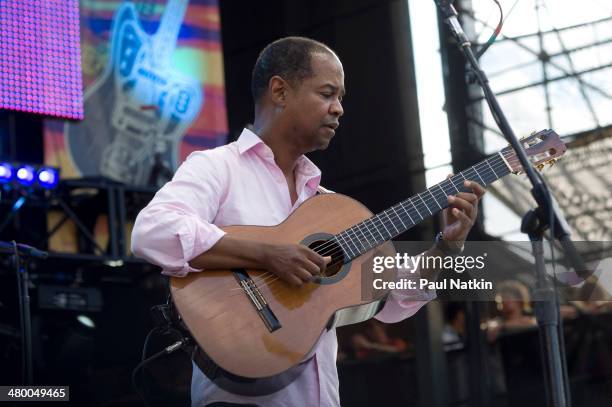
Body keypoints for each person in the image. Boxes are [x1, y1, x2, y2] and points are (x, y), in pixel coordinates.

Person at [131, 36, 485, 407]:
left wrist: (448, 246)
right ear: (280, 91)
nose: (339, 109)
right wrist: (266, 255)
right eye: (327, 94)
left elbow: (395, 298)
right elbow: (152, 231)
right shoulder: (218, 167)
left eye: (341, 98)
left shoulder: (328, 206)